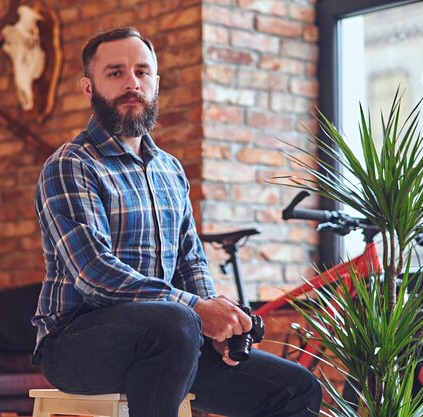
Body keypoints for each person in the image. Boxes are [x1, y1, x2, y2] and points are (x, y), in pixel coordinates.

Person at [32, 27, 322, 417]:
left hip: (171, 340)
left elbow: (190, 260)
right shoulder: (71, 165)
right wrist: (198, 310)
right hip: (76, 342)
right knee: (176, 321)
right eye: (115, 73)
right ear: (89, 87)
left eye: (142, 72)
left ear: (155, 82)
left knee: (295, 389)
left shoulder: (169, 169)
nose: (131, 83)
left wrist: (217, 324)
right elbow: (94, 273)